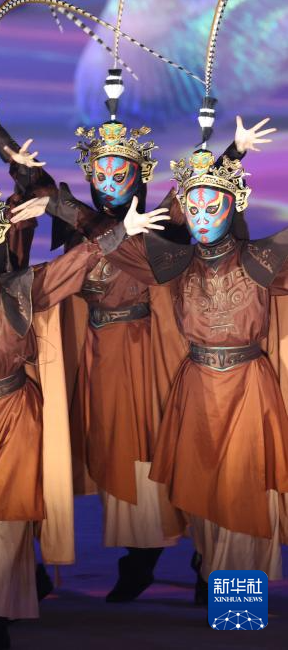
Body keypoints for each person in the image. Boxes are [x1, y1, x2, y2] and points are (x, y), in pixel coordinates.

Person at [0, 177, 168, 649]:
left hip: (13, 416)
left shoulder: (18, 290)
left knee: (1, 516)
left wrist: (121, 231)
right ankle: (16, 588)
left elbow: (74, 263)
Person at [106, 114, 288, 604]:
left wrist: (235, 153)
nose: (202, 217)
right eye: (193, 208)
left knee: (242, 492)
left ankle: (237, 606)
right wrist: (65, 205)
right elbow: (107, 246)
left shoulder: (260, 259)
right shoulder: (176, 261)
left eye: (213, 207)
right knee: (205, 495)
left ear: (234, 206)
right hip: (196, 387)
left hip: (246, 388)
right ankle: (211, 580)